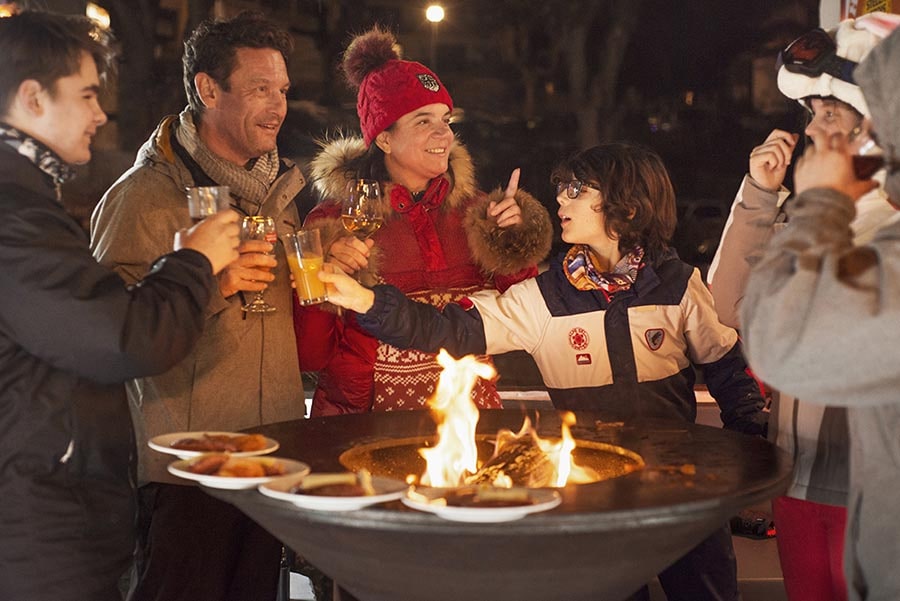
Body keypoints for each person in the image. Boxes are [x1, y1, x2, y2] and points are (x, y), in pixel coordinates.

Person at [321, 142, 769, 601]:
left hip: (686, 495)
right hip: (595, 498)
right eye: (560, 188)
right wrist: (367, 301)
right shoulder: (543, 299)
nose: (560, 199)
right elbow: (446, 329)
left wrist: (750, 460)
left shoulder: (678, 285)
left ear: (627, 207)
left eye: (576, 189)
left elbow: (729, 376)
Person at [0, 10, 240, 601]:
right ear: (32, 99)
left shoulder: (30, 202)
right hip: (36, 527)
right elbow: (123, 338)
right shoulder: (16, 217)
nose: (100, 113)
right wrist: (193, 260)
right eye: (85, 94)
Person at [90, 11, 305, 601]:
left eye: (282, 90)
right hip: (183, 470)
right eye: (260, 88)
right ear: (208, 89)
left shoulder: (279, 195)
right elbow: (109, 336)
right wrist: (213, 284)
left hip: (266, 458)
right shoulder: (142, 197)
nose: (277, 105)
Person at [708, 14, 900, 601]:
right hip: (798, 478)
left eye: (831, 113)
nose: (814, 129)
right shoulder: (821, 212)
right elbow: (728, 306)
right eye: (811, 111)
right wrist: (761, 197)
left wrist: (821, 210)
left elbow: (787, 347)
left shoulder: (874, 225)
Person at [295, 26, 553, 416]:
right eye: (422, 121)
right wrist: (322, 273)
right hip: (361, 428)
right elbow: (311, 355)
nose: (443, 134)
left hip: (466, 429)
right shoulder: (335, 223)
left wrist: (513, 241)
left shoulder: (478, 214)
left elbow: (525, 319)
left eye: (445, 119)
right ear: (383, 138)